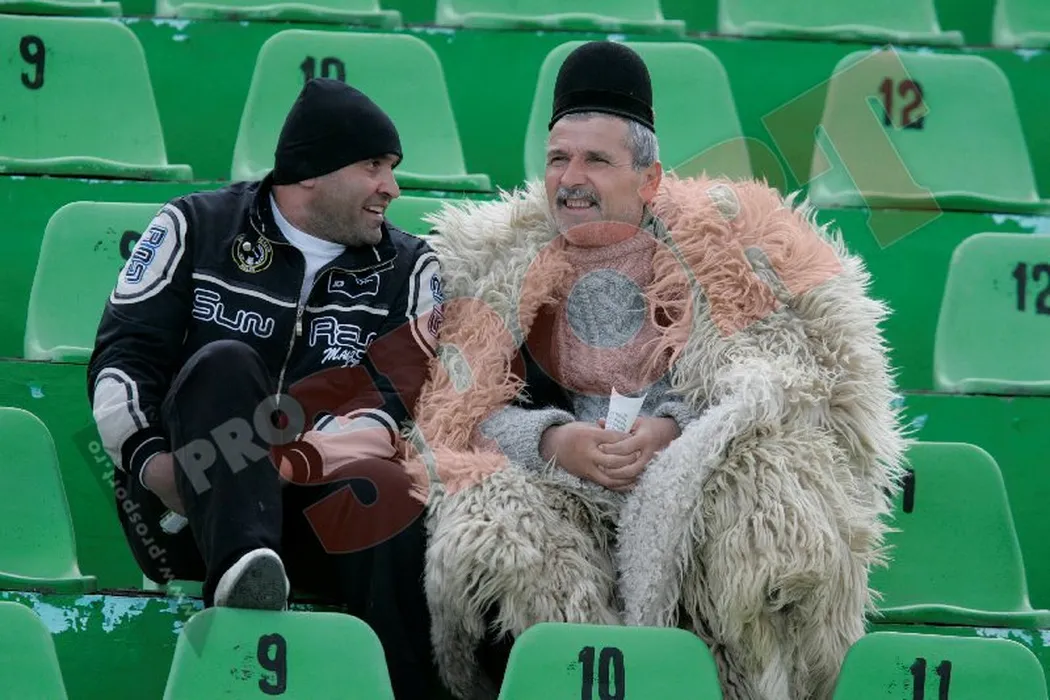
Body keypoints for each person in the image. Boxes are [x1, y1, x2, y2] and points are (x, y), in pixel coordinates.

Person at [400, 42, 906, 700]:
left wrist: (671, 431)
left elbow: (774, 387)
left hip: (696, 502)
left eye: (596, 160)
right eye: (558, 159)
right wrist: (554, 440)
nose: (570, 179)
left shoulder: (728, 258)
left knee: (770, 505)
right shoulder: (499, 265)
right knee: (487, 527)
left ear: (648, 180)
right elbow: (454, 414)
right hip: (565, 501)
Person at [88, 78, 445, 699]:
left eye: (392, 168)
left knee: (389, 491)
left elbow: (389, 409)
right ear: (311, 173)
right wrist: (154, 466)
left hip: (313, 512)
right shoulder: (195, 225)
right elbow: (123, 361)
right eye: (374, 166)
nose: (392, 187)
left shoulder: (411, 268)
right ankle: (242, 573)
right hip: (184, 505)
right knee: (224, 363)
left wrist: (276, 466)